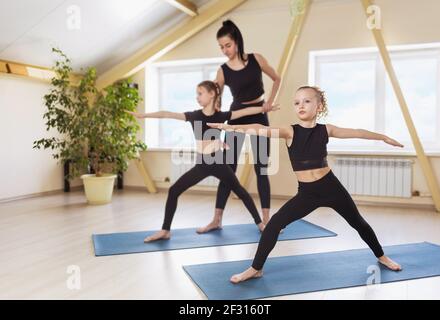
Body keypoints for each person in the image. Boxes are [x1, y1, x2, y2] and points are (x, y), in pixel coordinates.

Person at [207, 85, 403, 283]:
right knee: (273, 224)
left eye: (307, 101)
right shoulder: (290, 132)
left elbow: (358, 133)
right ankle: (255, 268)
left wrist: (384, 137)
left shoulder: (326, 130)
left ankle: (382, 257)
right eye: (297, 102)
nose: (301, 105)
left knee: (358, 223)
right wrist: (231, 128)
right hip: (307, 193)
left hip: (331, 188)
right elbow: (261, 129)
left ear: (319, 106)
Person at [126, 80, 279, 243]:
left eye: (200, 93)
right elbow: (167, 113)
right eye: (196, 94)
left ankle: (260, 224)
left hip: (219, 163)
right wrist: (144, 115)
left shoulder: (221, 115)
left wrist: (264, 107)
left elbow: (244, 112)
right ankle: (165, 230)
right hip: (202, 165)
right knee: (174, 190)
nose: (197, 97)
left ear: (211, 94)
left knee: (240, 192)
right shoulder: (194, 116)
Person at [197, 20, 282, 234]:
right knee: (228, 171)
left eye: (227, 45)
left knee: (261, 168)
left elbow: (276, 78)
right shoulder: (223, 71)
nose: (225, 50)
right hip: (236, 118)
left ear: (237, 42)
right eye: (221, 47)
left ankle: (266, 221)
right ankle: (216, 219)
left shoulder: (256, 59)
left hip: (259, 117)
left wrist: (269, 103)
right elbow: (217, 98)